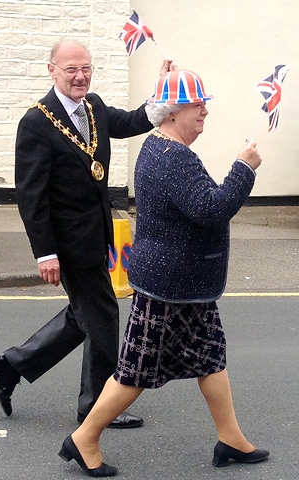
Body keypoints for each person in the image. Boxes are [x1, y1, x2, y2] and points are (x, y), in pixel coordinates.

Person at [58, 69, 270, 477]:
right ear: (172, 113)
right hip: (170, 286)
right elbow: (211, 210)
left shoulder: (160, 148)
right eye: (196, 105)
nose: (204, 110)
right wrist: (244, 169)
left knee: (210, 358)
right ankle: (84, 438)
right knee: (134, 372)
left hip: (180, 284)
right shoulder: (174, 158)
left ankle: (231, 439)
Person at [0, 40, 173, 428]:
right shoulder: (36, 122)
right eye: (71, 69)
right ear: (52, 70)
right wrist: (45, 253)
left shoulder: (94, 106)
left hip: (97, 233)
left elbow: (131, 122)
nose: (80, 76)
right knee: (103, 314)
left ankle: (12, 364)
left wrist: (161, 94)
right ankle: (96, 408)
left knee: (84, 314)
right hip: (67, 242)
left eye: (86, 68)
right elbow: (31, 196)